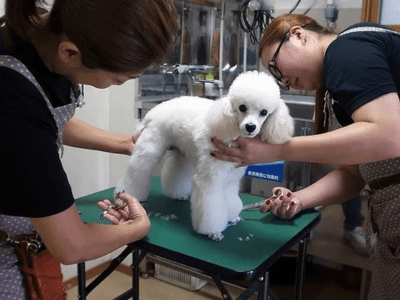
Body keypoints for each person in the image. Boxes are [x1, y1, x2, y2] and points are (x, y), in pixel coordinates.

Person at [211, 14, 400, 299]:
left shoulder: (347, 48)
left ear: (298, 35)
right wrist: (299, 200)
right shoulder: (334, 91)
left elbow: (390, 136)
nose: (284, 80)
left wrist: (277, 151)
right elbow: (352, 174)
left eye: (276, 67)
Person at [0, 0, 177, 298]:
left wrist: (124, 143)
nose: (118, 84)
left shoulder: (41, 31)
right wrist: (138, 227)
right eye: (119, 79)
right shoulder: (11, 98)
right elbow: (73, 246)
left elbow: (47, 124)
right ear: (70, 53)